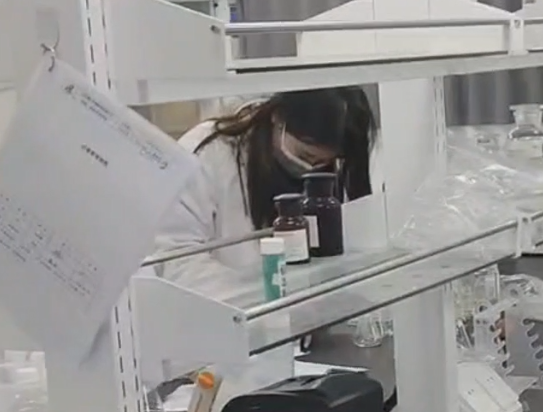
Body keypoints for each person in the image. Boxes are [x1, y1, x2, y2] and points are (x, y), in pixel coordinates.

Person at [153, 87, 377, 298]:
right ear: (277, 117)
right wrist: (256, 300)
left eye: (323, 162)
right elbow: (175, 258)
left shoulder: (336, 165)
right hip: (230, 309)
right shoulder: (207, 153)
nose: (311, 168)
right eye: (305, 156)